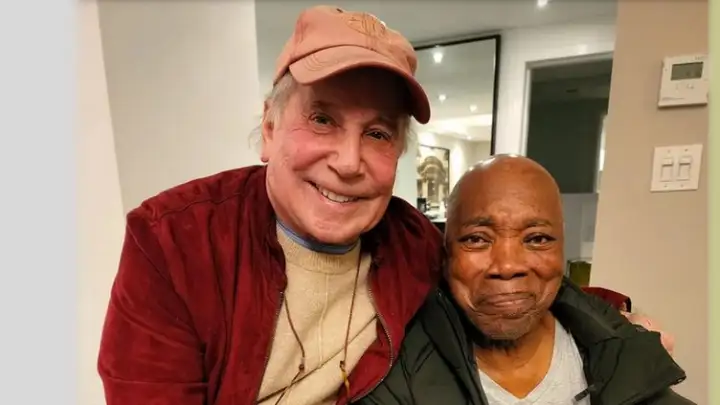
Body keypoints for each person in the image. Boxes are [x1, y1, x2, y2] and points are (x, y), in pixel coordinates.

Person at [97, 6, 676, 405]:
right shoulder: (174, 241)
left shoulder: (409, 241)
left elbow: (496, 272)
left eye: (377, 133)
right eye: (322, 119)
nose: (349, 161)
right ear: (269, 127)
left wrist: (616, 316)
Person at [359, 155, 693, 405]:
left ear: (562, 250)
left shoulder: (621, 351)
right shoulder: (395, 369)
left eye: (537, 239)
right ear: (445, 255)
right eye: (477, 239)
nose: (507, 266)